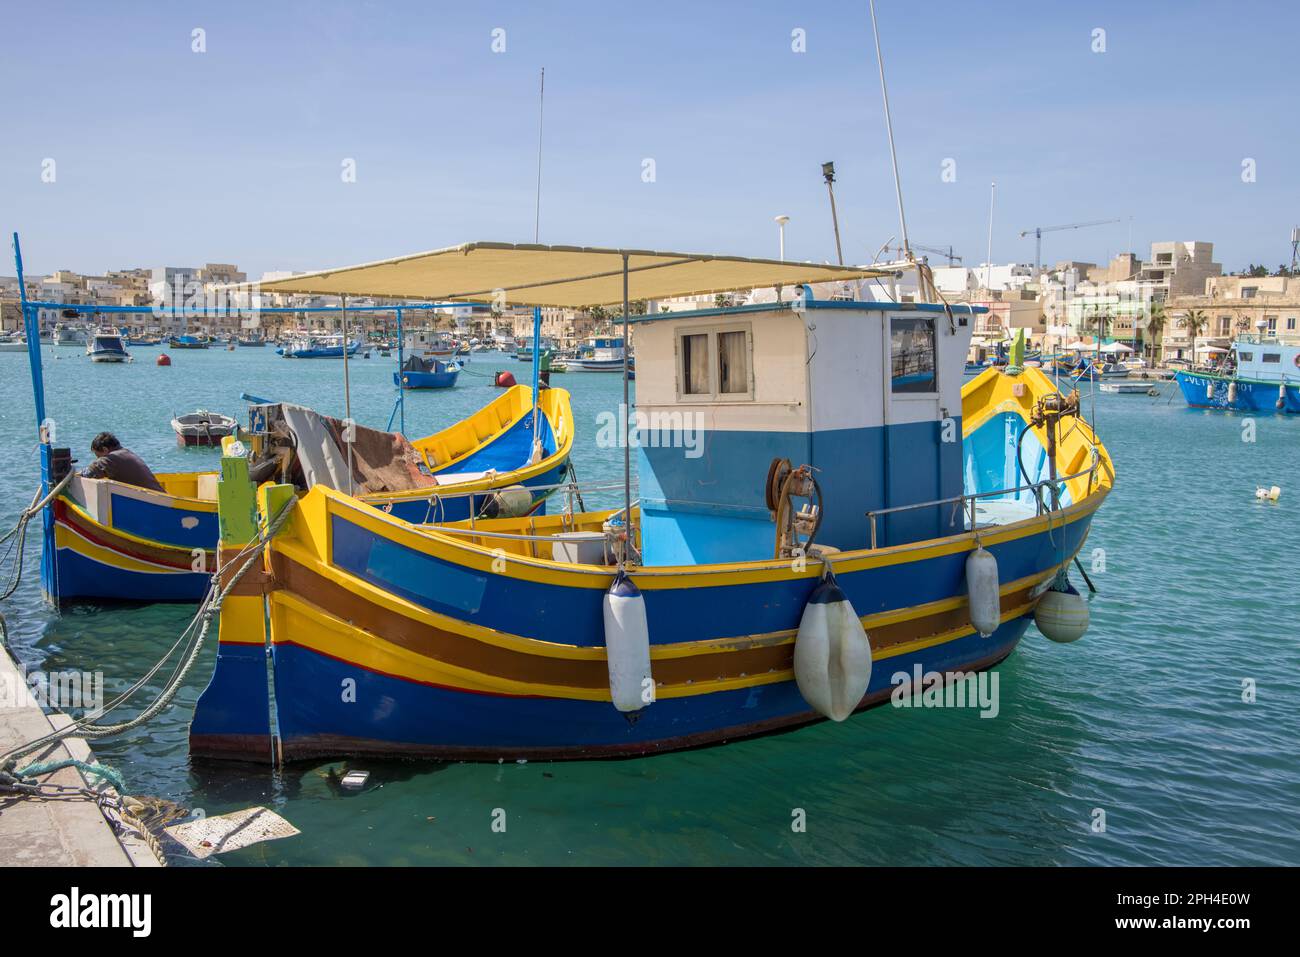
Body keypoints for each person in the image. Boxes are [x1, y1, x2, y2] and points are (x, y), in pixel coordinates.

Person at [81, 432, 165, 492]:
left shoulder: (112, 458)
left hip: (153, 501)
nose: (98, 459)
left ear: (105, 449)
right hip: (161, 498)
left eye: (97, 456)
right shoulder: (126, 453)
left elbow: (89, 473)